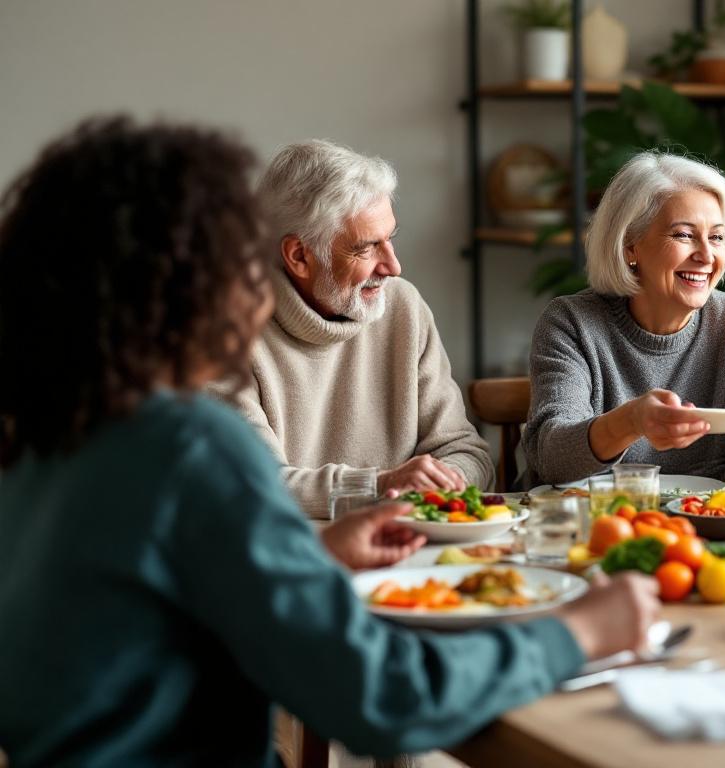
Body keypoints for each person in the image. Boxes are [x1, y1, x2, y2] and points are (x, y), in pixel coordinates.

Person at [0, 117, 660, 767]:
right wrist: (577, 632)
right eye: (240, 253)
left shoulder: (44, 435)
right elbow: (384, 696)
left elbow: (163, 604)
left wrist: (310, 555)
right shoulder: (190, 446)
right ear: (192, 283)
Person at [232, 139, 492, 517]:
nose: (393, 267)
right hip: (298, 546)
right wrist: (380, 486)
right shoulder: (227, 331)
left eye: (390, 239)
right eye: (366, 248)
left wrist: (442, 482)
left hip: (412, 539)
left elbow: (466, 452)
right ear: (299, 255)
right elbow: (251, 483)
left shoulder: (403, 307)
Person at [525, 151, 725, 487]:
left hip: (705, 520)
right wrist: (630, 422)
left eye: (716, 237)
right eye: (684, 235)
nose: (706, 256)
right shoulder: (572, 323)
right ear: (630, 246)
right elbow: (552, 459)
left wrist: (678, 494)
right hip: (587, 519)